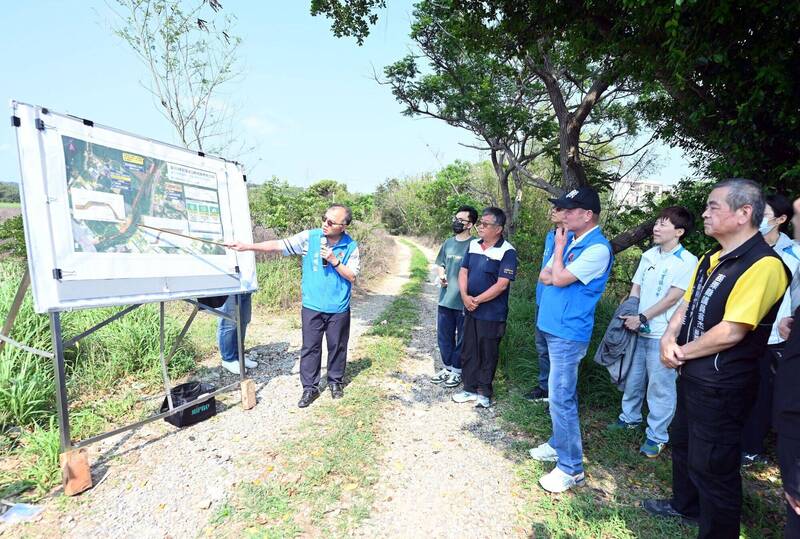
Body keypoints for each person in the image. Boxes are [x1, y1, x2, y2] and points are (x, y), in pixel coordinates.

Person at [642, 179, 790, 539]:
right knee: (683, 443)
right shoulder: (711, 258)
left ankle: (717, 532)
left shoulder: (765, 265)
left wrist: (679, 352)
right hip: (693, 373)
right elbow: (687, 303)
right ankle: (684, 505)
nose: (705, 214)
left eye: (713, 207)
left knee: (714, 465)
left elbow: (733, 330)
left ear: (744, 213)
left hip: (724, 383)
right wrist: (668, 336)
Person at [227, 204, 360, 408]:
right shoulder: (310, 237)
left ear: (343, 226)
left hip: (338, 308)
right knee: (310, 348)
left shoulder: (351, 246)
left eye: (331, 222)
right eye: (324, 218)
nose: (325, 224)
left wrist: (333, 260)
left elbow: (352, 276)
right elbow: (278, 245)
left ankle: (335, 382)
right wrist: (247, 247)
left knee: (337, 347)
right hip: (312, 306)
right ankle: (310, 388)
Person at [527, 186, 614, 493]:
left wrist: (559, 255)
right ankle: (557, 443)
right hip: (552, 326)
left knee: (561, 397)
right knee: (560, 394)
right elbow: (544, 276)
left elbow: (559, 278)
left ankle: (571, 468)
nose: (562, 214)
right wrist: (559, 260)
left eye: (568, 209)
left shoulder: (597, 248)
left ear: (586, 215)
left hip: (568, 333)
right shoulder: (572, 240)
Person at [607, 206, 698, 458]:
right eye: (657, 223)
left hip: (662, 333)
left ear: (679, 232)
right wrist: (632, 311)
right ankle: (629, 418)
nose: (656, 228)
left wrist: (643, 317)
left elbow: (673, 298)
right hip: (637, 328)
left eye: (664, 224)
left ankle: (657, 436)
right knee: (633, 379)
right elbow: (636, 286)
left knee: (660, 387)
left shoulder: (688, 261)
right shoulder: (649, 254)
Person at [741, 194, 800, 466]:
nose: (758, 219)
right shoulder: (745, 246)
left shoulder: (794, 254)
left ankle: (753, 447)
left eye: (764, 215)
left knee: (764, 393)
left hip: (776, 335)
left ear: (781, 219)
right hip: (743, 330)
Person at [451, 207, 517, 409]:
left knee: (488, 352)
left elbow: (501, 284)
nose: (480, 227)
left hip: (492, 313)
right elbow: (463, 272)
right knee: (468, 349)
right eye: (480, 223)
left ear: (498, 228)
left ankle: (484, 392)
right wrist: (464, 296)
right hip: (470, 307)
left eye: (485, 224)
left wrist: (476, 300)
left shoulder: (507, 251)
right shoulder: (473, 245)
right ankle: (469, 388)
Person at [524, 205, 570, 402]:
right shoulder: (550, 235)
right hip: (541, 298)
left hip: (558, 303)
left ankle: (557, 394)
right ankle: (544, 387)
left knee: (557, 351)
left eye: (558, 208)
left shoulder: (572, 238)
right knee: (541, 346)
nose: (552, 210)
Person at [431, 205, 478, 389]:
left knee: (462, 338)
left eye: (461, 220)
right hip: (445, 299)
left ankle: (457, 370)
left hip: (464, 301)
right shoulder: (448, 243)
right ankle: (447, 368)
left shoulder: (475, 244)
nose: (456, 222)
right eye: (455, 218)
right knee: (444, 336)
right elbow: (440, 263)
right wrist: (441, 275)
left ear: (470, 224)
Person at [218, 293, 256, 374]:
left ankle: (239, 356)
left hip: (244, 284)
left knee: (244, 320)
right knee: (228, 323)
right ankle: (228, 359)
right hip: (227, 285)